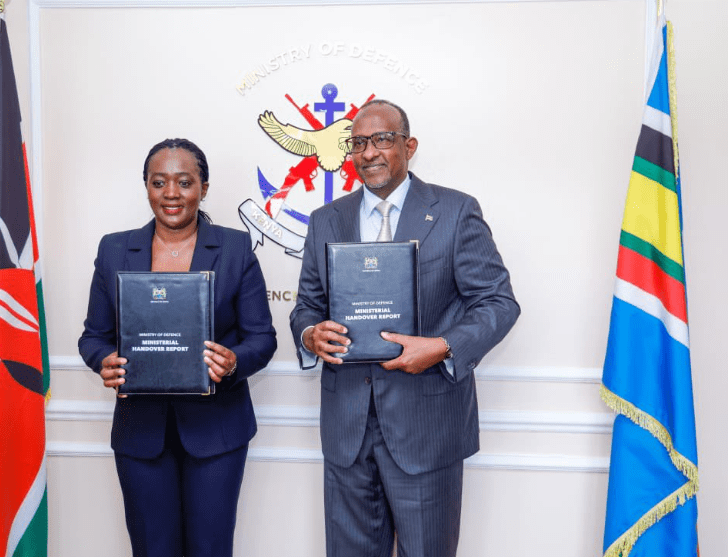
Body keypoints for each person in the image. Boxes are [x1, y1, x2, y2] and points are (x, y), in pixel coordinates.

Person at [290, 100, 520, 557]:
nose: (368, 152)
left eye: (382, 139)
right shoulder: (325, 220)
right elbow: (306, 307)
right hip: (346, 431)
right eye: (358, 143)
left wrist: (442, 346)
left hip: (426, 427)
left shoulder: (455, 212)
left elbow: (498, 301)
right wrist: (310, 334)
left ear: (408, 146)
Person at [78, 138, 277, 557]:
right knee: (152, 549)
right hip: (140, 434)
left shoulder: (236, 248)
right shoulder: (114, 249)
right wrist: (103, 361)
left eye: (184, 182)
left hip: (217, 432)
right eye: (159, 182)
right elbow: (93, 337)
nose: (171, 193)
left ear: (203, 188)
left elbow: (262, 337)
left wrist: (234, 360)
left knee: (210, 548)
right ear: (146, 187)